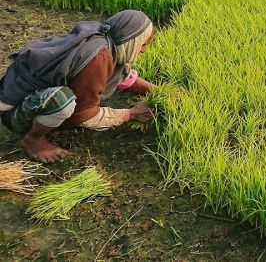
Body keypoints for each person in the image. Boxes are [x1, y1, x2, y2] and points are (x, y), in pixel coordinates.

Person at [0, 10, 156, 163]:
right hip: (18, 113)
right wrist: (131, 114)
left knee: (67, 97)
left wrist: (158, 90)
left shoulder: (104, 40)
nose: (143, 49)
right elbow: (84, 114)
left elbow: (122, 75)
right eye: (142, 44)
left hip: (24, 96)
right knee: (62, 100)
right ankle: (33, 139)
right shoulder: (99, 57)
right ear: (130, 39)